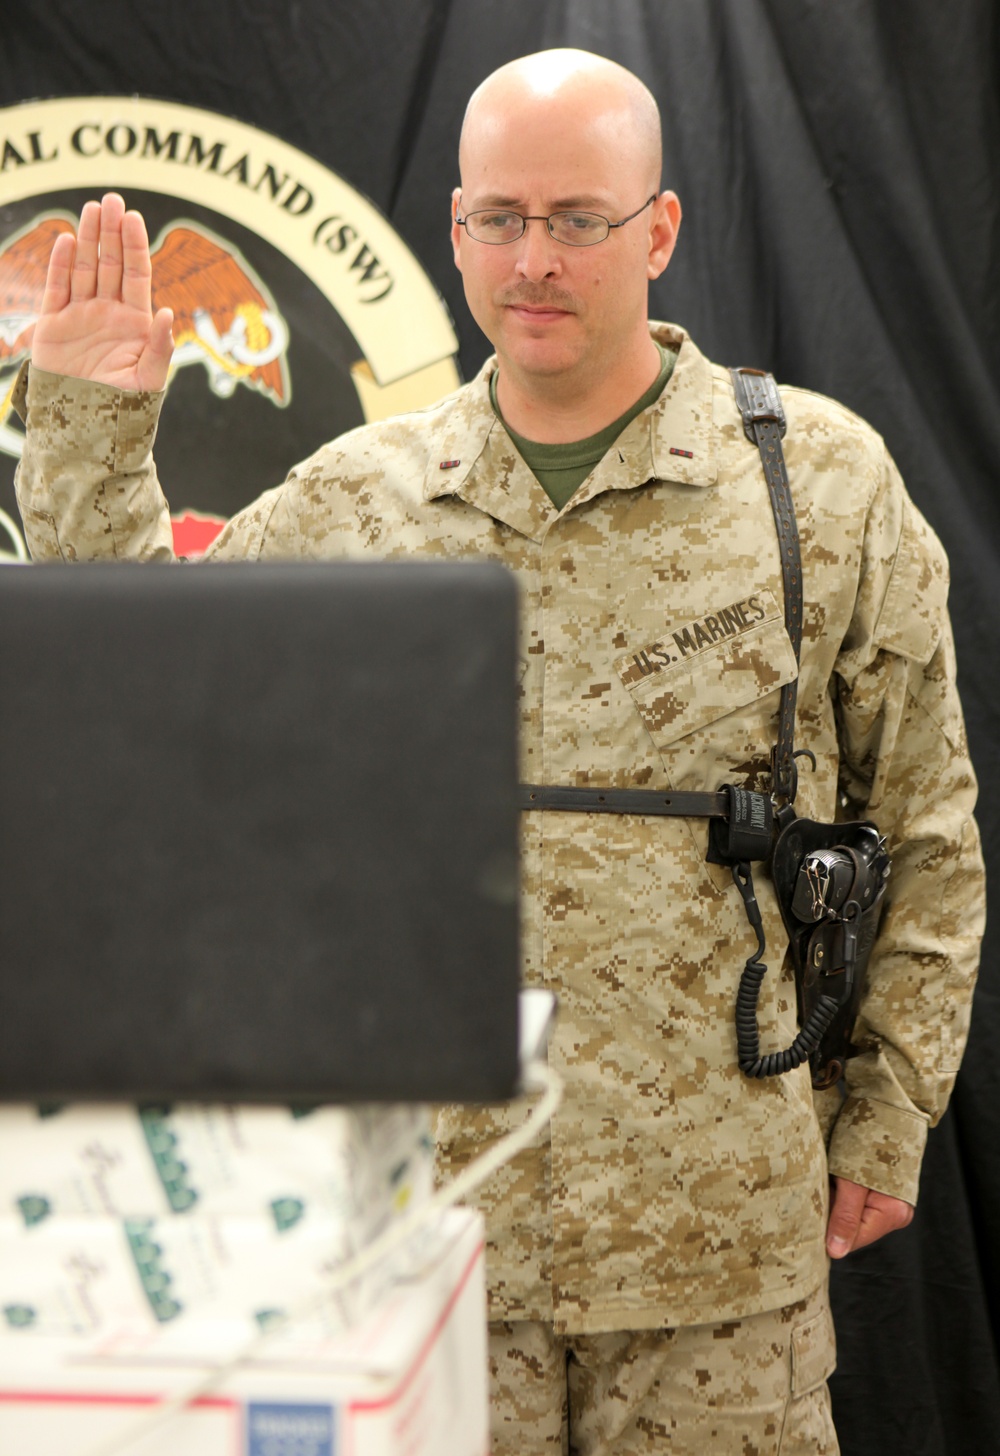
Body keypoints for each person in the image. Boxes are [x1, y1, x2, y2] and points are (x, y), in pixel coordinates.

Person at [12, 48, 984, 1456]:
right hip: (424, 1240)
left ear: (657, 229)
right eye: (500, 218)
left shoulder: (819, 486)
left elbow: (929, 824)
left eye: (579, 219)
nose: (535, 258)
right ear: (457, 227)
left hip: (714, 1257)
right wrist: (95, 421)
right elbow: (140, 701)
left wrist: (891, 1116)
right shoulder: (363, 499)